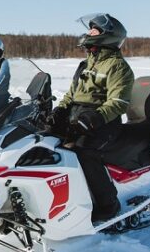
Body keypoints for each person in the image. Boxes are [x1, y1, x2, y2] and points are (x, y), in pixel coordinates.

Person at [46, 13, 134, 222]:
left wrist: (93, 119)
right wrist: (59, 111)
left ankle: (108, 205)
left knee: (83, 151)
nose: (88, 33)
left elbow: (118, 103)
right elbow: (71, 94)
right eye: (90, 29)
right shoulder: (86, 64)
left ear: (107, 36)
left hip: (104, 121)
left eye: (94, 30)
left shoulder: (117, 67)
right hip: (77, 115)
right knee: (45, 142)